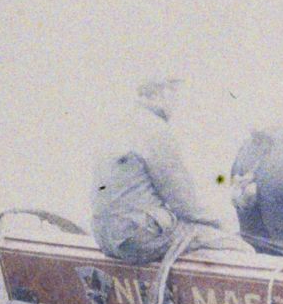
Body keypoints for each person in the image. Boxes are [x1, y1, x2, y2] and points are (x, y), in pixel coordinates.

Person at [90, 76, 250, 264]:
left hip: (106, 237)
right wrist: (225, 222)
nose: (177, 102)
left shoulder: (121, 125)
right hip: (140, 236)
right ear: (161, 93)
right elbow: (185, 204)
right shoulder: (156, 131)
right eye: (175, 93)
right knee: (239, 248)